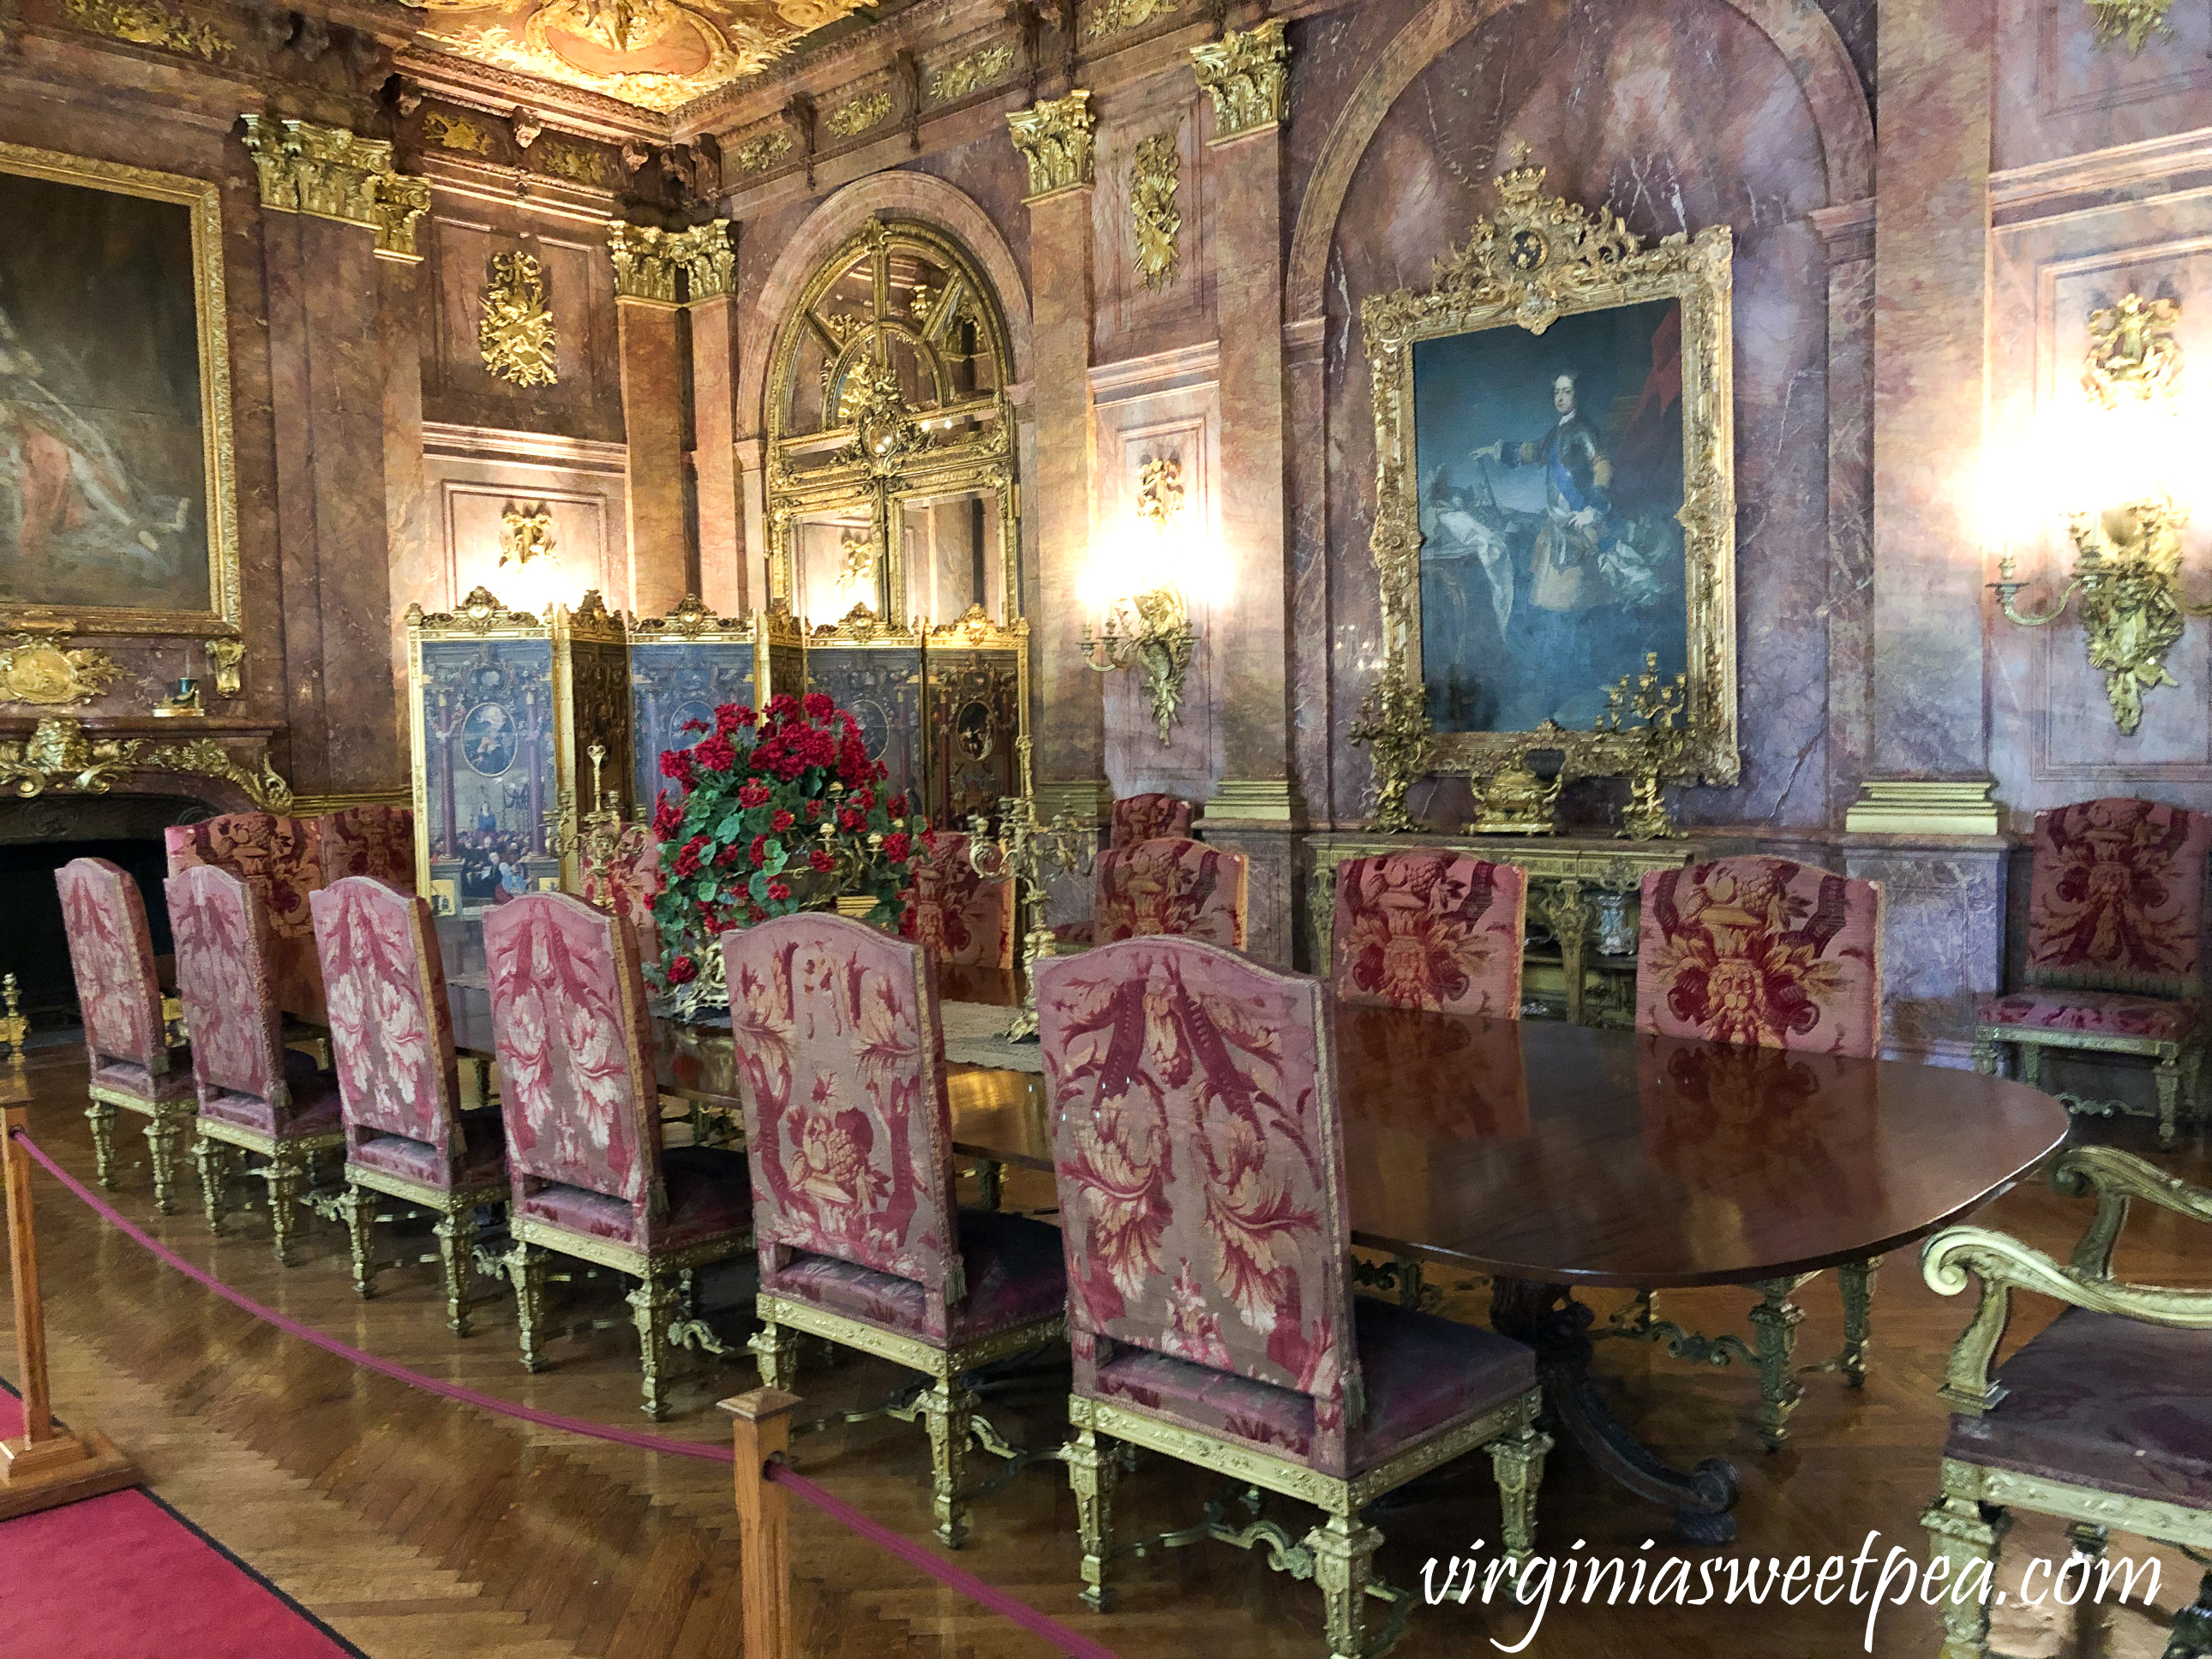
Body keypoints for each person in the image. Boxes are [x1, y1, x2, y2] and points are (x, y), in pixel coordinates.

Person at [1472, 371, 1617, 698]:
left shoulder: (1583, 430)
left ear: (1578, 395)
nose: (1561, 398)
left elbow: (1602, 466)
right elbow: (1534, 452)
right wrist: (1494, 450)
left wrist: (1592, 509)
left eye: (1567, 392)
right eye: (1557, 392)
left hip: (1580, 529)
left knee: (1581, 605)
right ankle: (1562, 678)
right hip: (1556, 530)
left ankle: (1590, 678)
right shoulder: (1557, 431)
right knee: (1555, 608)